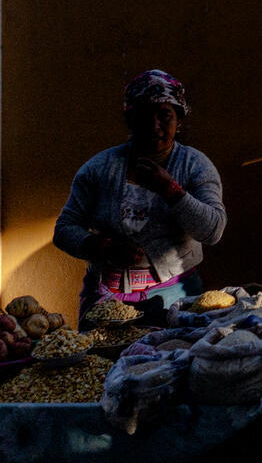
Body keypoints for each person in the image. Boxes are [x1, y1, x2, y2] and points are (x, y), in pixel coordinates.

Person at [54, 70, 226, 325]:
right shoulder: (99, 168)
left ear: (179, 120)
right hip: (105, 298)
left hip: (175, 296)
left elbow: (213, 231)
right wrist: (102, 247)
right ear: (130, 119)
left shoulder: (194, 165)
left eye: (165, 115)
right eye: (144, 116)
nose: (154, 126)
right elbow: (64, 229)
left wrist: (171, 190)